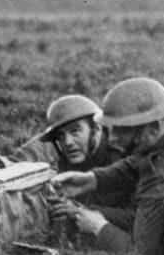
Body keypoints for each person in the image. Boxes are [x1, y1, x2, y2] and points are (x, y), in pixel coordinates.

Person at [52, 77, 164, 255]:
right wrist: (93, 180)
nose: (112, 138)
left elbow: (141, 254)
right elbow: (138, 161)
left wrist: (99, 226)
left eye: (121, 131)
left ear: (154, 127)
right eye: (112, 129)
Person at [14, 94, 135, 234]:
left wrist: (81, 210)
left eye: (75, 131)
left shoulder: (124, 157)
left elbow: (136, 218)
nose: (68, 142)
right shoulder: (67, 158)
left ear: (96, 129)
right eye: (60, 135)